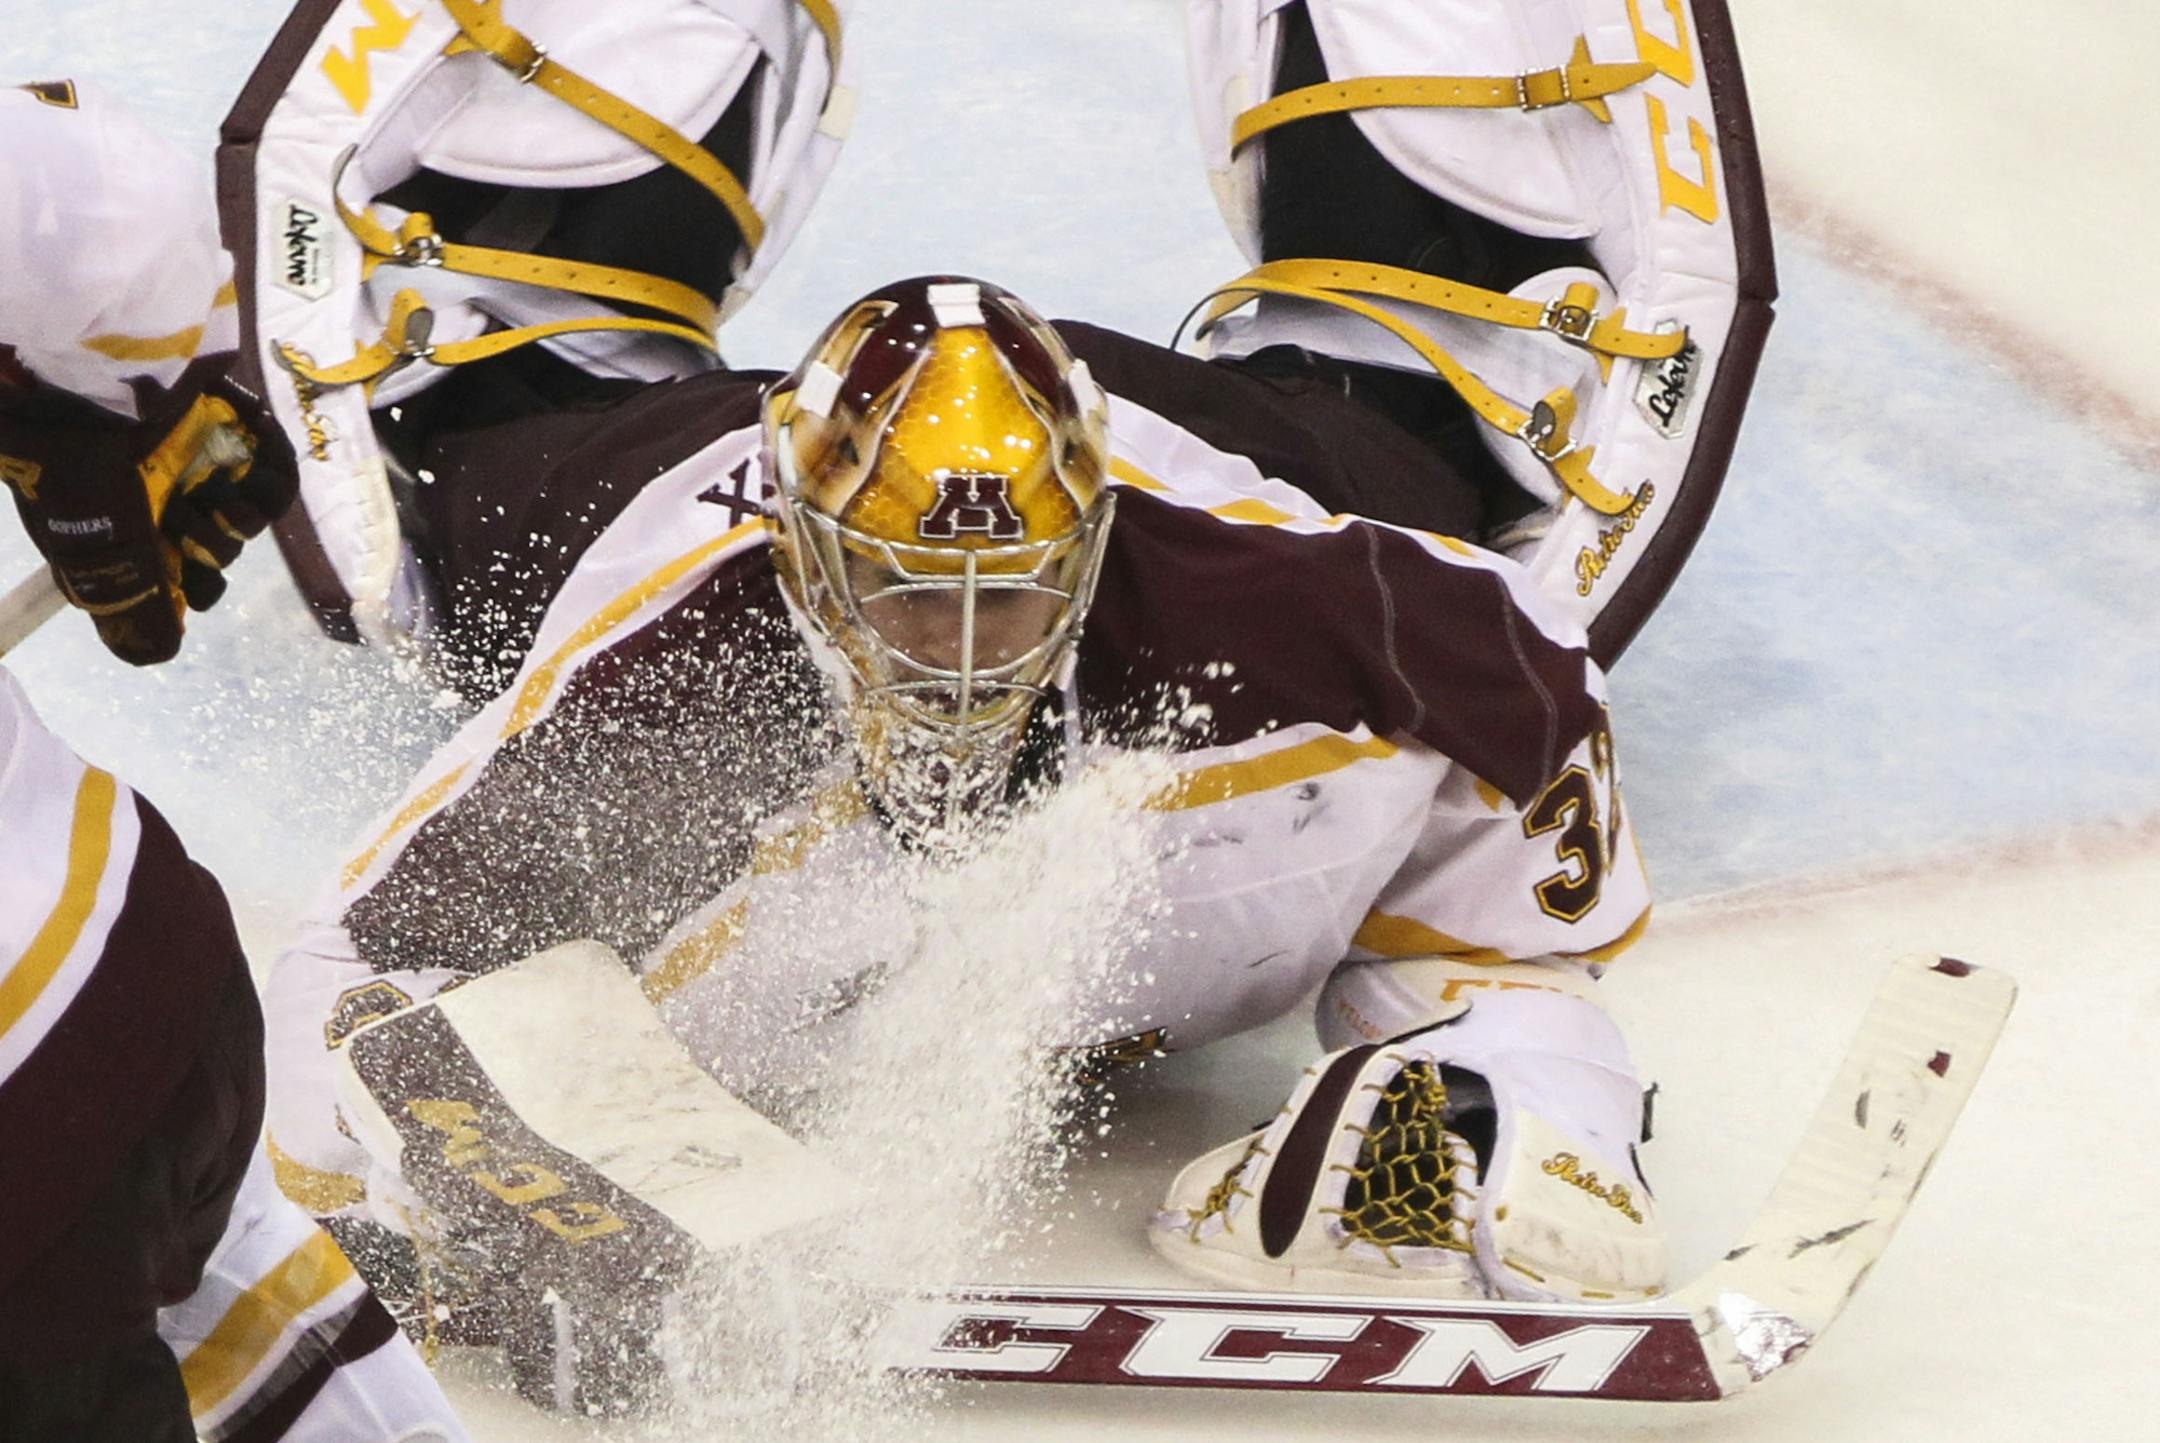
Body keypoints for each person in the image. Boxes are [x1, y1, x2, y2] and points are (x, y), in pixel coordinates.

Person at [228, 0, 1772, 1412]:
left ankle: (1417, 320)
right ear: (805, 554)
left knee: (1385, 464)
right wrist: (472, 1169)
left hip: (1206, 442)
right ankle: (522, 330)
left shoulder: (1282, 598)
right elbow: (354, 976)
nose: (964, 639)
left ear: (1098, 538)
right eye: (907, 587)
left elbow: (1524, 684)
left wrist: (1515, 1048)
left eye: (1018, 585)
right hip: (669, 469)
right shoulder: (678, 657)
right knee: (491, 497)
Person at [0, 79, 469, 1442]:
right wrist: (129, 404)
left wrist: (110, 420)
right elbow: (98, 206)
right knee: (221, 1294)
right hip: (141, 989)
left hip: (46, 1109)